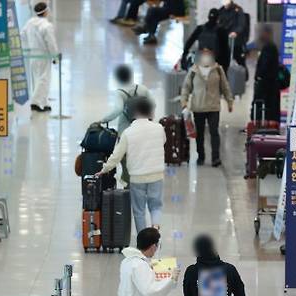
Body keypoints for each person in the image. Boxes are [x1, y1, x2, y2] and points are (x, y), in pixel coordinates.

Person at [96, 98, 166, 233]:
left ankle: (143, 241)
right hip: (156, 175)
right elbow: (162, 142)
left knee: (139, 211)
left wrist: (104, 169)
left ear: (135, 112)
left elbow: (117, 155)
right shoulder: (159, 128)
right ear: (150, 111)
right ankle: (155, 230)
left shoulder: (128, 133)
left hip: (137, 177)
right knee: (156, 206)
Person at [98, 64, 154, 186]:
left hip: (126, 131)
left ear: (118, 78)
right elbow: (152, 104)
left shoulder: (120, 92)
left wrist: (103, 120)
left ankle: (129, 185)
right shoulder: (143, 89)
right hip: (143, 130)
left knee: (126, 160)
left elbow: (117, 110)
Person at [181, 47, 233, 167]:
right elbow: (186, 87)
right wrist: (184, 102)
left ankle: (216, 158)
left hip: (213, 106)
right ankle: (201, 156)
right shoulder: (193, 70)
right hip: (198, 106)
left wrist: (230, 101)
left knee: (214, 132)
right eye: (203, 54)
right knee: (199, 133)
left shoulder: (218, 69)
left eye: (208, 54)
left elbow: (225, 86)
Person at [21, 2, 59, 112]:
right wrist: (55, 57)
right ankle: (35, 102)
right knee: (44, 79)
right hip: (44, 55)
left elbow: (22, 35)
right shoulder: (47, 26)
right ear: (46, 12)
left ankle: (44, 102)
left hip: (33, 54)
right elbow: (51, 43)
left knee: (37, 79)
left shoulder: (30, 23)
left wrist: (28, 46)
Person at [181, 8, 230, 72]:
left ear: (208, 17)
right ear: (218, 18)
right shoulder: (222, 31)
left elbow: (189, 43)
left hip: (201, 62)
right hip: (216, 63)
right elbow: (226, 50)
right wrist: (225, 67)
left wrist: (184, 56)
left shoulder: (200, 29)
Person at [251, 24, 280, 122]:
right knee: (270, 105)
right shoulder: (271, 47)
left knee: (263, 104)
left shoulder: (268, 47)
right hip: (270, 83)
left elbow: (265, 65)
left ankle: (259, 122)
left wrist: (259, 76)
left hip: (266, 84)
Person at [217, 0, 248, 68]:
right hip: (224, 41)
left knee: (239, 61)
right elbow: (218, 24)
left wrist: (235, 32)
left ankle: (242, 75)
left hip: (236, 41)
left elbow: (241, 24)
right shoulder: (221, 11)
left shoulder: (237, 10)